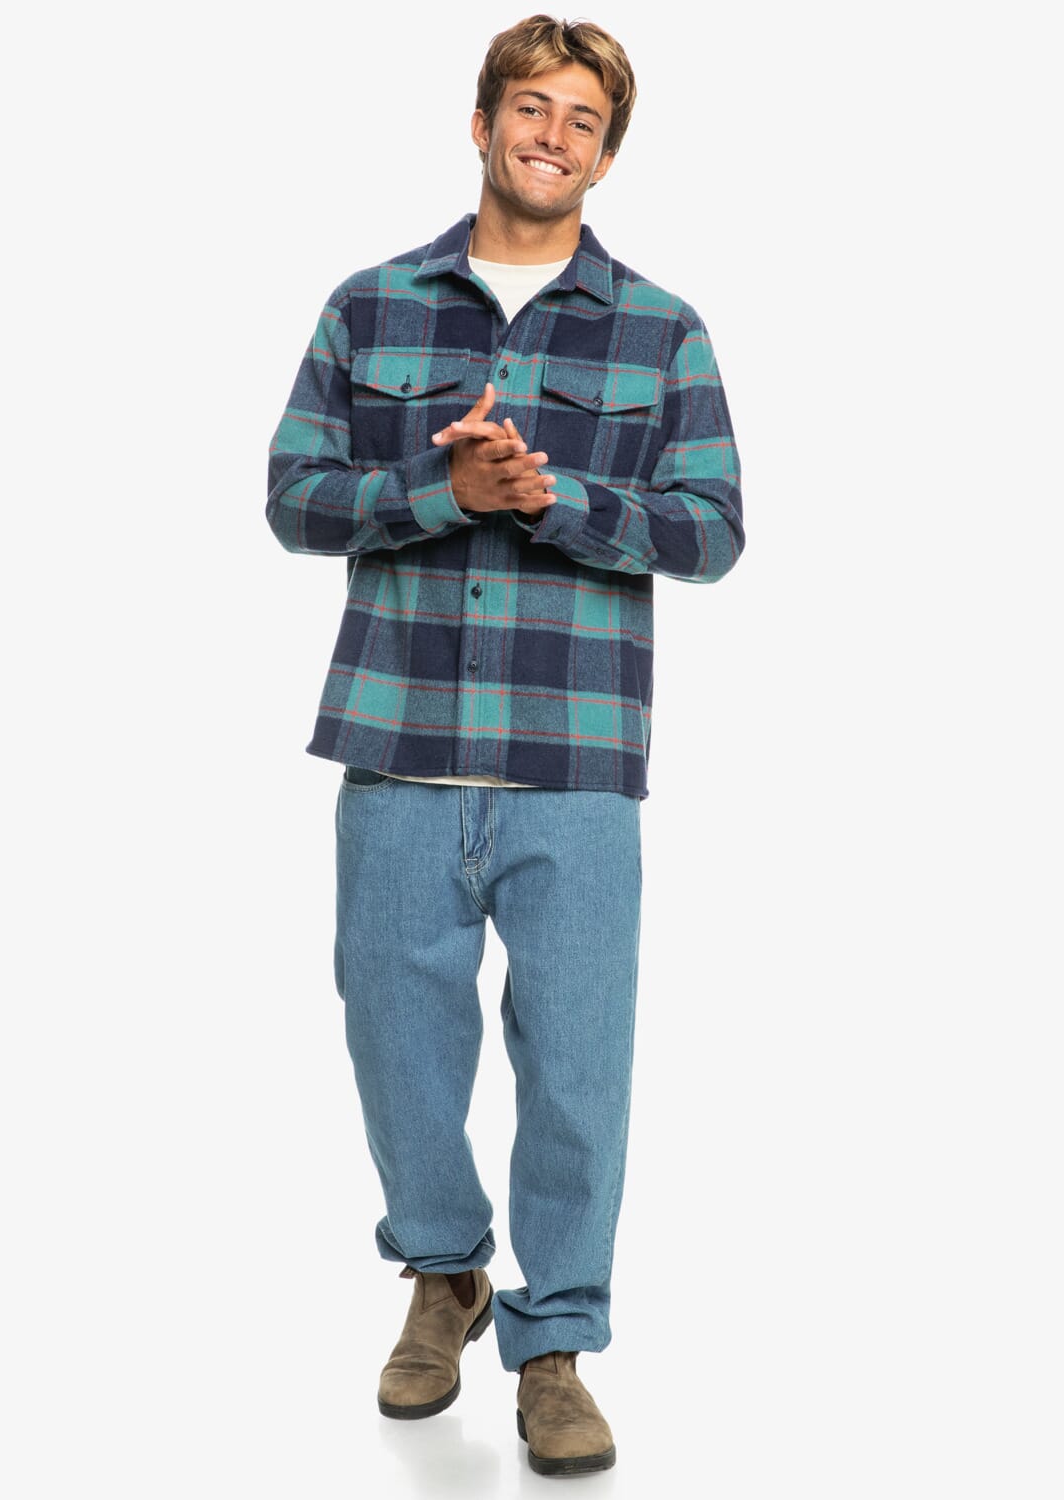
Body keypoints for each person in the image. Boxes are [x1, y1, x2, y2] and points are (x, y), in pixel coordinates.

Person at [266, 13, 743, 1476]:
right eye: (531, 107)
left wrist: (551, 502)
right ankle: (443, 1271)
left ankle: (556, 1347)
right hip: (397, 744)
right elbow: (292, 499)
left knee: (579, 1070)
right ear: (481, 124)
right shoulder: (369, 306)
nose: (553, 135)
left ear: (606, 154)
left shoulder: (662, 329)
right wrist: (437, 492)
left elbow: (713, 532)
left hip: (576, 763)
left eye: (582, 120)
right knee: (392, 1041)